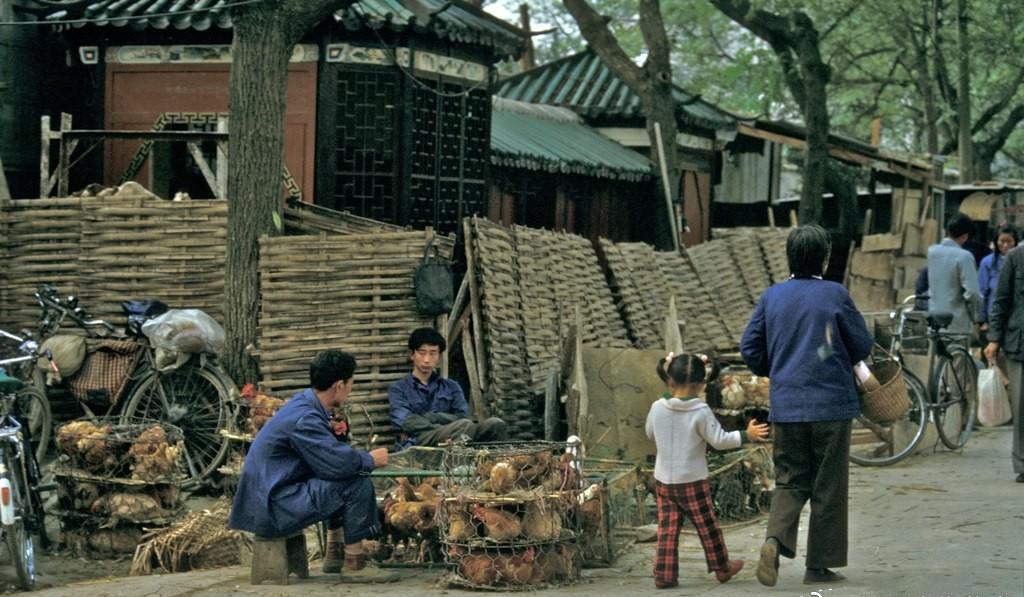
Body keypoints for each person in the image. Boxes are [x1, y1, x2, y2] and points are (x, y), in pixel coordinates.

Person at [740, 224, 874, 587]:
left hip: (788, 405)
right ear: (825, 258)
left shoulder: (772, 297)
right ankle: (819, 564)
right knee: (828, 485)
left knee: (790, 480)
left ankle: (773, 541)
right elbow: (861, 345)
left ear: (789, 256)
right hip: (831, 406)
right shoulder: (835, 294)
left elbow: (749, 348)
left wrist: (777, 369)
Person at [229, 350, 397, 583]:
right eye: (350, 384)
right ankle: (355, 564)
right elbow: (337, 464)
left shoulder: (304, 404)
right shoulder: (305, 417)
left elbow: (326, 458)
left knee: (340, 479)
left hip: (273, 498)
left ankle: (334, 556)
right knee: (356, 480)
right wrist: (370, 459)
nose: (350, 390)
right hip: (273, 507)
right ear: (339, 385)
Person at [645, 352, 769, 589]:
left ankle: (664, 574)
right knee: (707, 526)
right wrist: (747, 435)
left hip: (663, 481)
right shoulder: (700, 411)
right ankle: (722, 568)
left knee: (667, 529)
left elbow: (650, 433)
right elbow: (720, 440)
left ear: (669, 380)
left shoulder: (657, 407)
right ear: (701, 384)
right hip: (692, 481)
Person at [388, 327, 507, 449]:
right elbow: (405, 422)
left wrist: (434, 417)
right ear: (412, 355)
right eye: (422, 353)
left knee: (495, 424)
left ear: (439, 357)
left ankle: (494, 464)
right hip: (419, 440)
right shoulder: (399, 388)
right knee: (463, 426)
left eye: (433, 353)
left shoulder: (451, 386)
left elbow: (462, 416)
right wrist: (444, 428)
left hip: (457, 433)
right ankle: (461, 463)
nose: (427, 360)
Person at [984, 240, 1024, 484]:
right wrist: (994, 338)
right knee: (1021, 405)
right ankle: (1022, 463)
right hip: (1020, 342)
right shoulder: (1016, 257)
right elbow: (1001, 299)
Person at [927, 213, 982, 337]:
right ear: (965, 236)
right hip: (957, 322)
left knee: (937, 355)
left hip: (934, 318)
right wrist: (975, 316)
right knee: (957, 355)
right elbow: (972, 293)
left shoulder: (932, 252)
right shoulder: (964, 256)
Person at [979, 225, 1019, 334]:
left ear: (1015, 242)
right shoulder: (987, 262)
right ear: (996, 242)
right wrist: (982, 320)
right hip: (993, 317)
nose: (1006, 245)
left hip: (1016, 319)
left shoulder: (1020, 262)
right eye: (1002, 241)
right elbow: (982, 292)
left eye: (1009, 241)